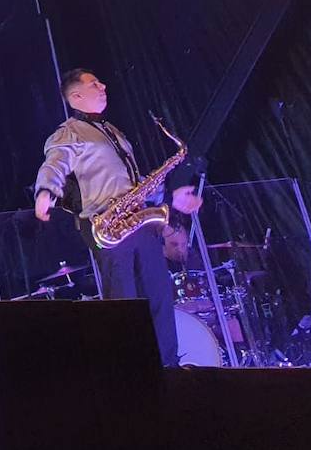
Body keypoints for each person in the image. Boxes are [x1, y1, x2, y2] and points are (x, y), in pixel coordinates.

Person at [33, 69, 202, 367]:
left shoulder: (114, 131)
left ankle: (169, 369)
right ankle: (132, 371)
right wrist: (45, 191)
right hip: (108, 226)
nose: (103, 86)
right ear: (76, 96)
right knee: (125, 305)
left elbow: (135, 183)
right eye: (94, 83)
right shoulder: (68, 133)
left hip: (139, 222)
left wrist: (170, 197)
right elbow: (54, 164)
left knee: (160, 298)